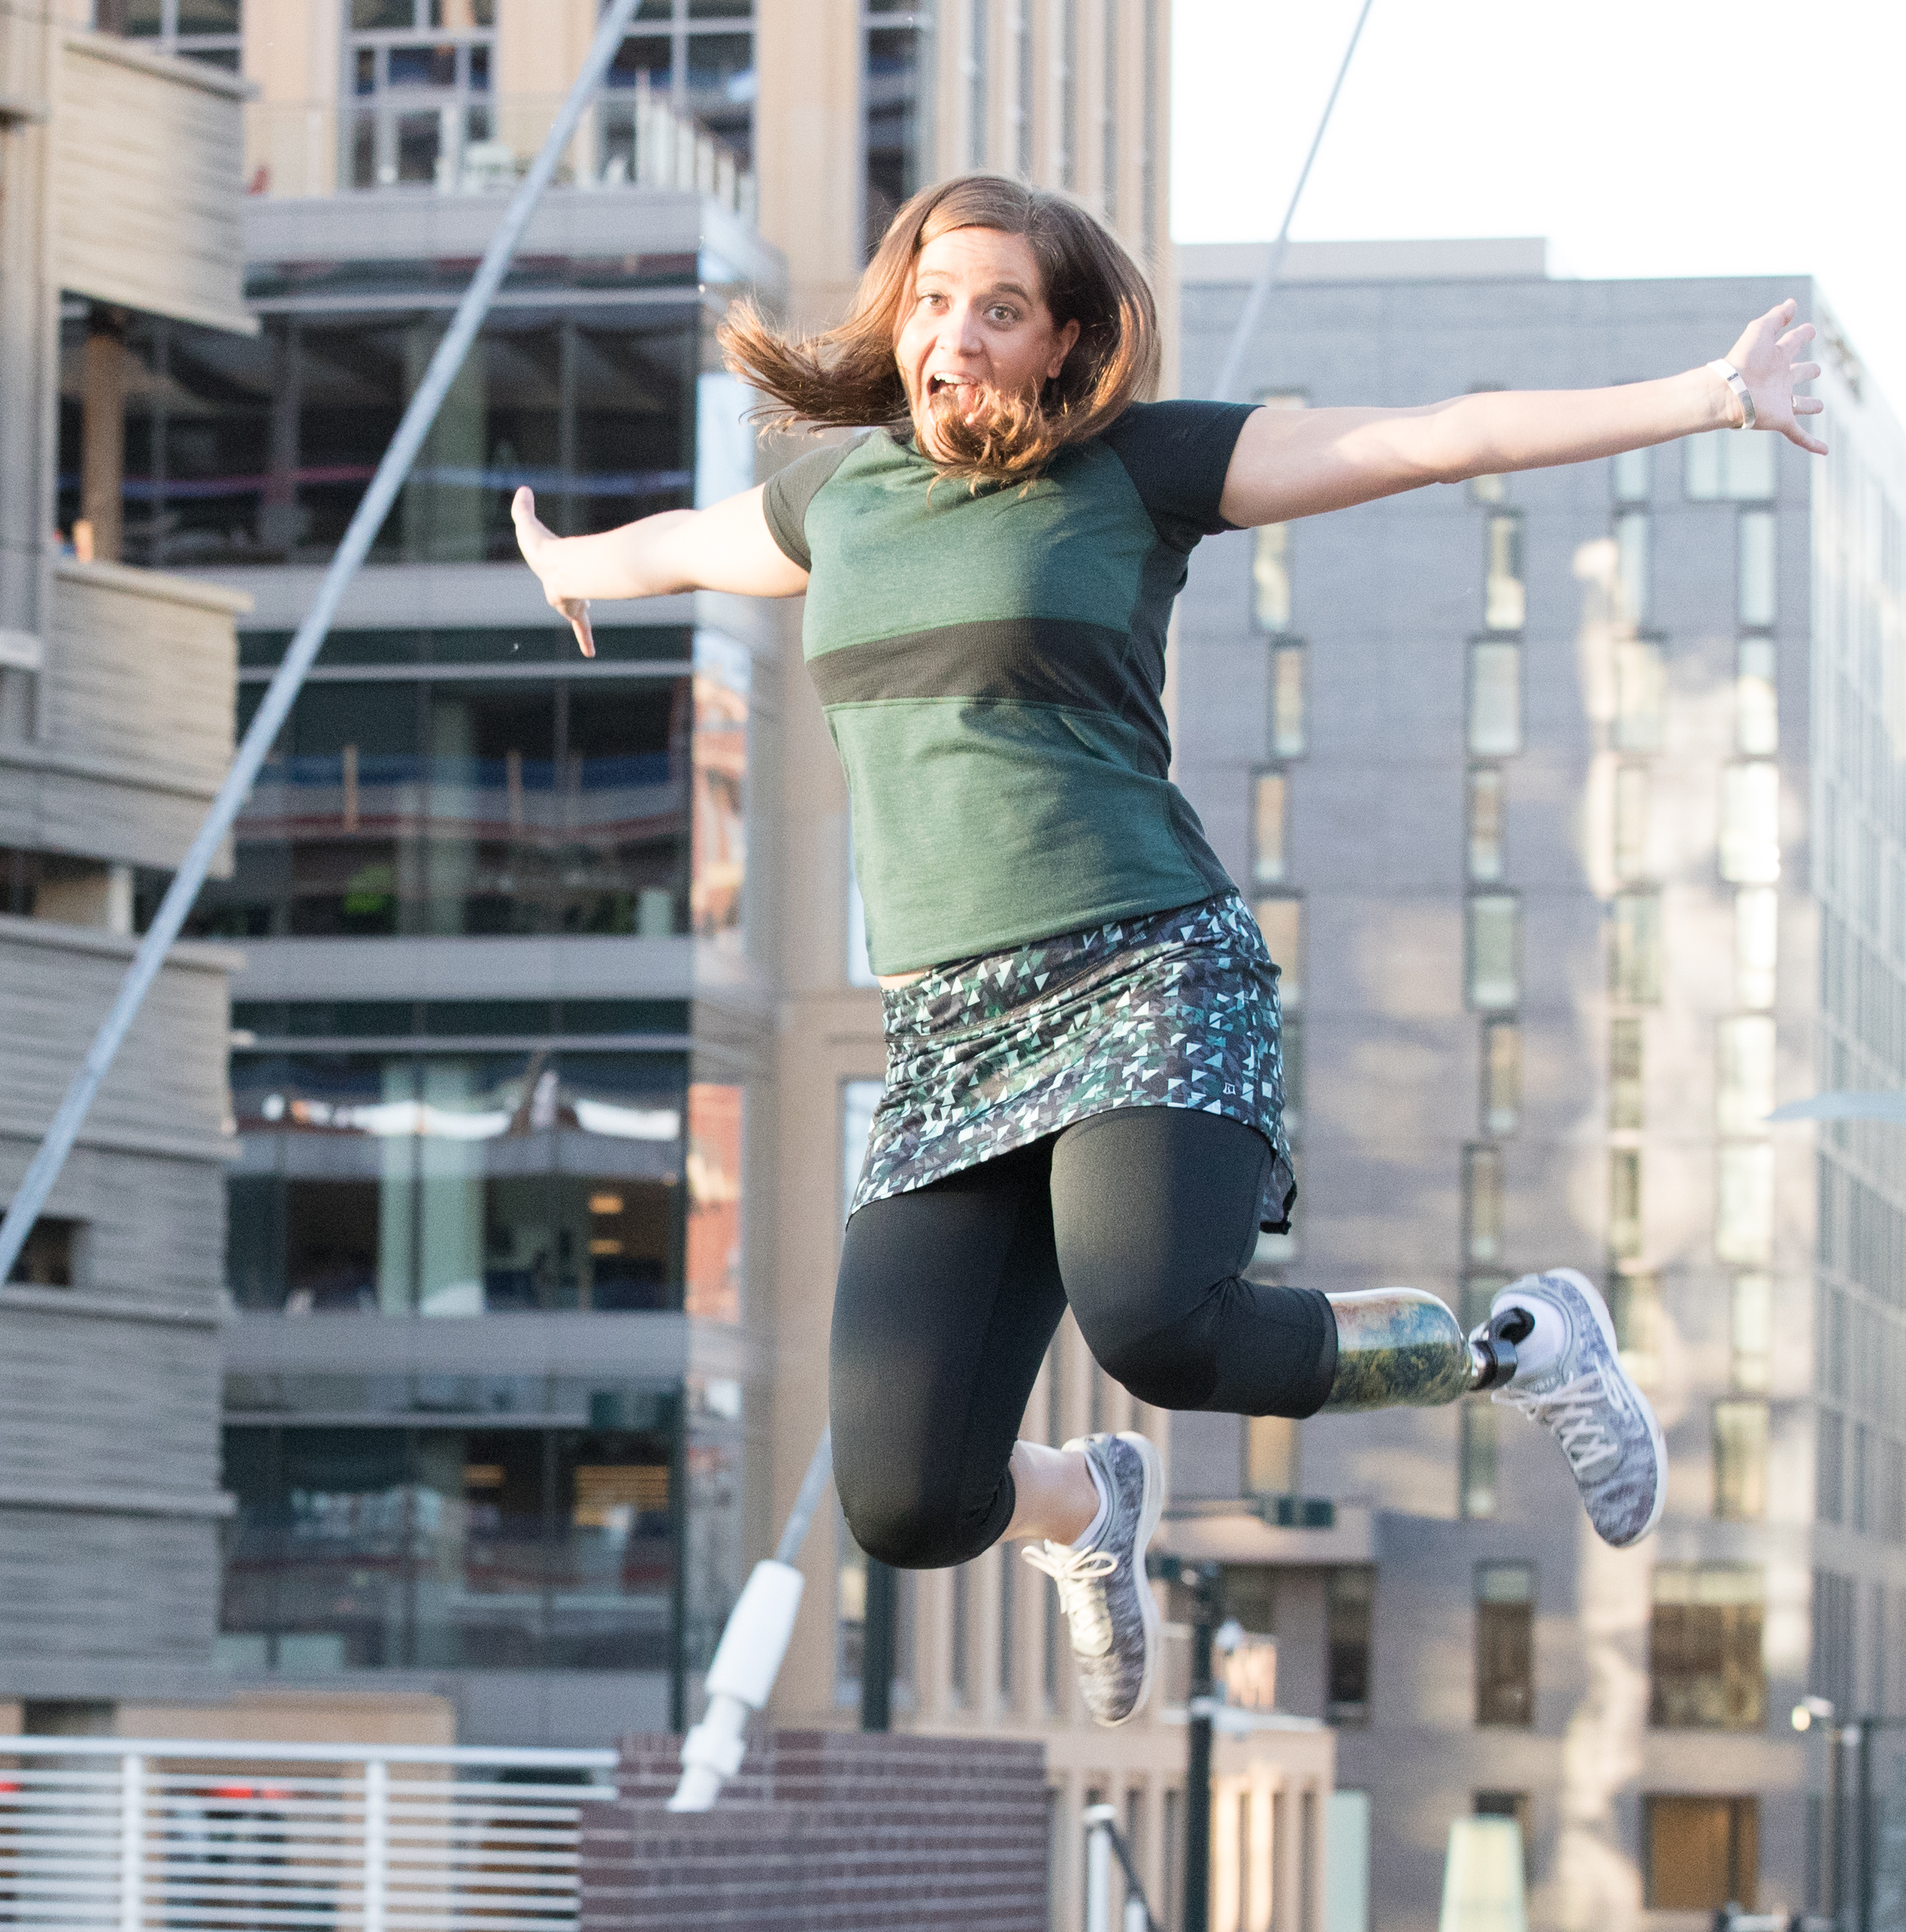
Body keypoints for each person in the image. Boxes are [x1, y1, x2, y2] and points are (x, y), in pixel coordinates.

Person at [509, 173, 1824, 1724]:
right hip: (946, 1035)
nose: (960, 337)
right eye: (935, 303)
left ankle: (1514, 1354)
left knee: (1160, 1323)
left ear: (1063, 343)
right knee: (908, 1502)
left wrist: (1713, 396)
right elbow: (678, 546)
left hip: (1143, 972)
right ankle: (1081, 1505)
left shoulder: (1137, 468)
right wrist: (569, 564)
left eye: (1001, 311)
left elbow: (1434, 438)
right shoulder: (836, 497)